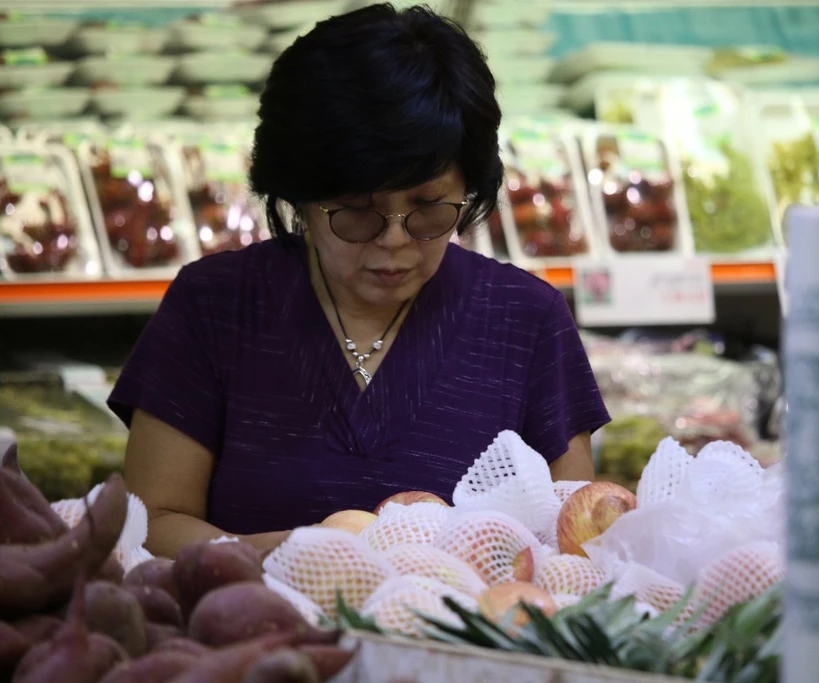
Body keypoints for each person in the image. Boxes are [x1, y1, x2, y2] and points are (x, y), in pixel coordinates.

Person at [108, 3, 610, 559]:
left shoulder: (526, 319)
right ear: (298, 195)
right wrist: (306, 557)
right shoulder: (216, 307)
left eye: (429, 209)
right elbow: (150, 522)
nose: (394, 242)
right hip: (252, 635)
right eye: (354, 212)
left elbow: (575, 542)